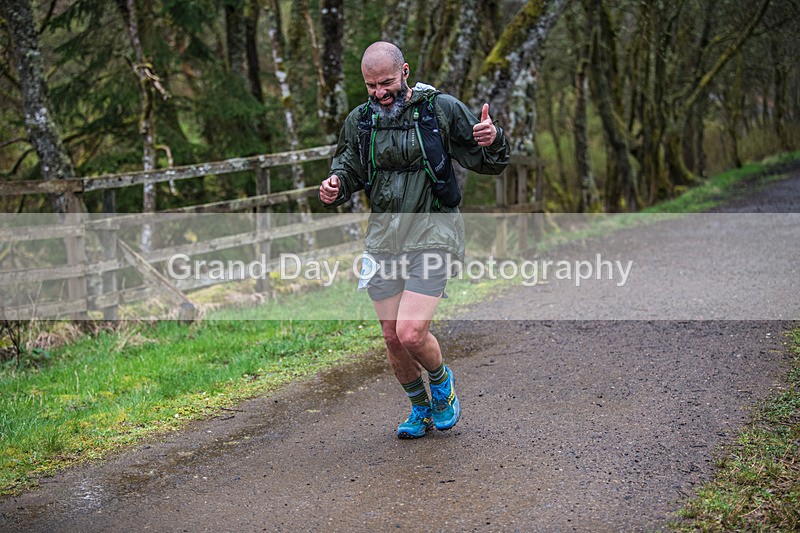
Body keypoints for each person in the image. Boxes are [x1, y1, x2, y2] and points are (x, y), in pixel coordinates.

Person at [319, 41, 509, 439]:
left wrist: (493, 138)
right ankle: (420, 408)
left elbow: (489, 161)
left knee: (410, 332)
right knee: (391, 338)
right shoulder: (360, 120)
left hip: (433, 231)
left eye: (386, 82)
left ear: (404, 72)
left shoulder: (440, 110)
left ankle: (441, 384)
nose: (380, 93)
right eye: (371, 86)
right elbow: (349, 166)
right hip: (384, 238)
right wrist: (336, 183)